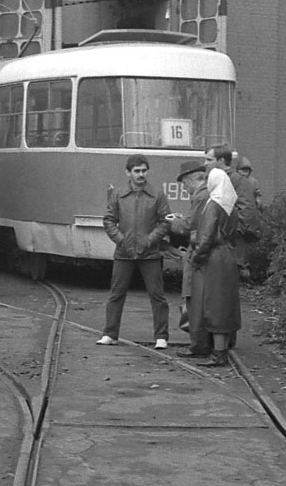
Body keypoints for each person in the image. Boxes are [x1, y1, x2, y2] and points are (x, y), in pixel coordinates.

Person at [97, 154, 172, 349]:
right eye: (136, 171)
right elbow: (108, 220)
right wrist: (121, 240)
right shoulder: (119, 194)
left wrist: (150, 240)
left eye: (143, 171)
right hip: (124, 252)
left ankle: (161, 337)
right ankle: (110, 334)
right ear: (128, 173)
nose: (140, 175)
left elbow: (165, 221)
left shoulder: (157, 195)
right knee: (116, 294)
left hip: (150, 252)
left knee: (157, 294)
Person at [187, 168, 242, 367]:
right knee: (225, 304)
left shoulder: (213, 205)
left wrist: (197, 257)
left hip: (214, 258)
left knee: (214, 305)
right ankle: (223, 349)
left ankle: (218, 354)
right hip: (228, 255)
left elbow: (206, 236)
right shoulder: (231, 205)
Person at [166, 160, 212, 357]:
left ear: (193, 179)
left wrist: (173, 223)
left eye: (184, 183)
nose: (184, 188)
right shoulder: (208, 193)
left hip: (197, 252)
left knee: (193, 298)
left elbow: (189, 227)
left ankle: (197, 345)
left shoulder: (200, 196)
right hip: (206, 252)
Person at [204, 144, 261, 280]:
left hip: (231, 239)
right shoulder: (217, 178)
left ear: (222, 161)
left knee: (228, 277)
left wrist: (233, 233)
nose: (205, 163)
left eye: (209, 159)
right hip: (218, 237)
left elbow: (247, 209)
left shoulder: (237, 180)